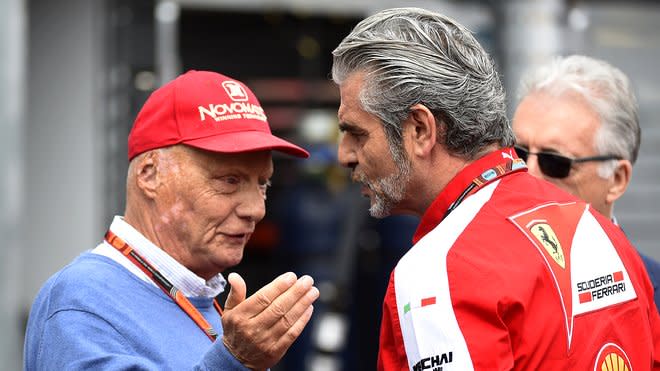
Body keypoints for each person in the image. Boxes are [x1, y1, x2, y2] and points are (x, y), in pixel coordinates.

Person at [331, 7, 660, 370]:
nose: (345, 154)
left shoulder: (439, 270)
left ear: (421, 130)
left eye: (356, 133)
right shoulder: (603, 234)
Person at [23, 70, 319, 370]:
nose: (256, 210)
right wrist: (234, 362)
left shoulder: (198, 297)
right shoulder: (82, 301)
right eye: (229, 180)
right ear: (149, 175)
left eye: (262, 184)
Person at [512, 54, 660, 309]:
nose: (528, 174)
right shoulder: (473, 276)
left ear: (616, 179)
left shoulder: (652, 296)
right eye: (518, 154)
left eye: (555, 162)